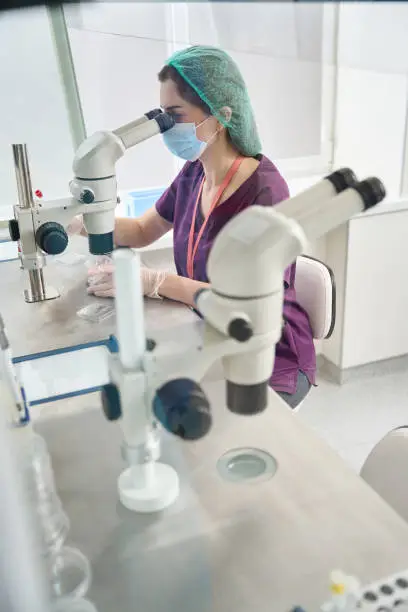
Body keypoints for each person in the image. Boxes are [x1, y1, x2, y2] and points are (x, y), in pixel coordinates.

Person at [74, 45, 316, 409]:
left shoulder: (266, 193)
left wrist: (155, 282)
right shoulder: (194, 174)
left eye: (175, 116)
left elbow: (246, 307)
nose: (166, 129)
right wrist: (85, 221)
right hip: (208, 335)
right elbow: (142, 230)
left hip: (269, 355)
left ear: (220, 117)